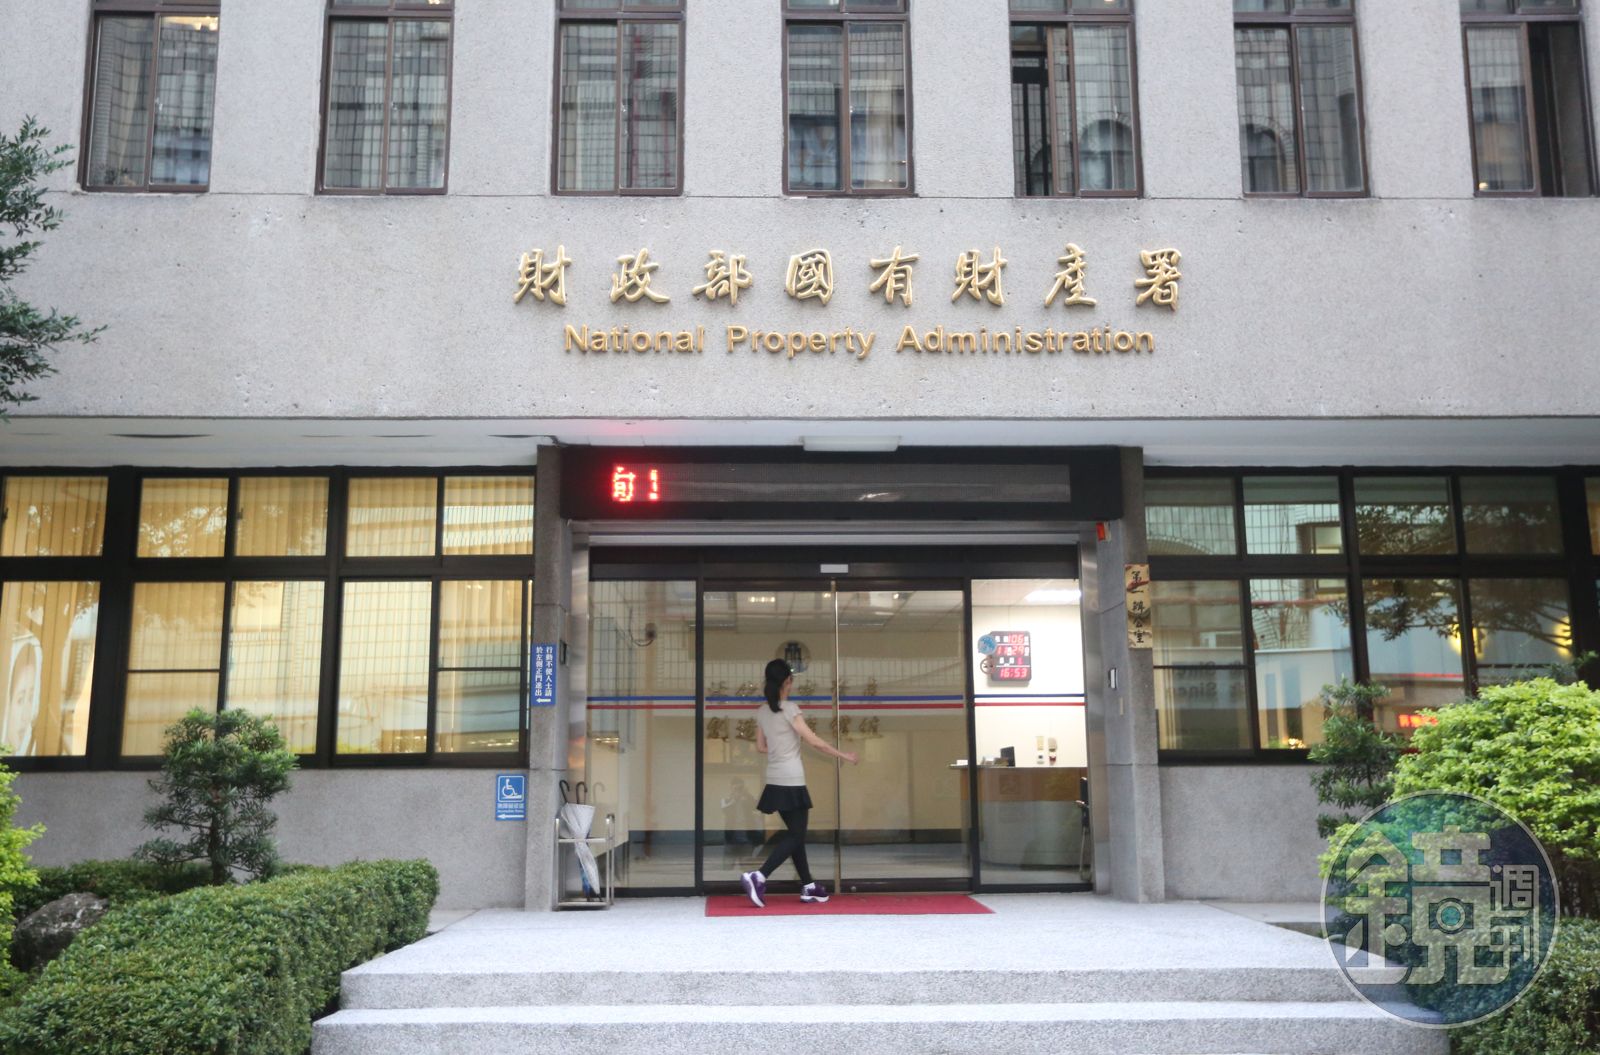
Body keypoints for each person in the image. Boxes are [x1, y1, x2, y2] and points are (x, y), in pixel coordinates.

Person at [741, 658, 857, 908]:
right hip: (792, 780)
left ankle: (809, 886)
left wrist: (780, 749)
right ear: (787, 682)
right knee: (796, 835)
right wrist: (843, 755)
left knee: (796, 835)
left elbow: (761, 747)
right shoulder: (790, 709)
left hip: (774, 780)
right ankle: (759, 876)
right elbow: (814, 741)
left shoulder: (762, 711)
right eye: (791, 680)